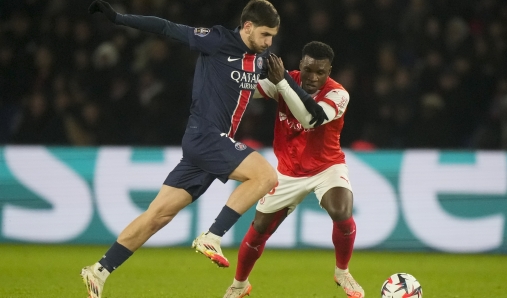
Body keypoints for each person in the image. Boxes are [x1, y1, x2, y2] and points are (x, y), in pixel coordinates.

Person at [81, 1, 327, 298]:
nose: (268, 42)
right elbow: (167, 28)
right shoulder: (217, 40)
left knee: (158, 215)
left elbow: (302, 99)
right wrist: (118, 18)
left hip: (207, 146)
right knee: (265, 176)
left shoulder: (263, 61)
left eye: (272, 36)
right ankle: (212, 236)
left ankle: (100, 269)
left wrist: (309, 104)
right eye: (264, 35)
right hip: (206, 136)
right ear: (247, 27)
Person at [223, 41, 365, 298]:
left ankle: (342, 272)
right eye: (309, 70)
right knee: (259, 230)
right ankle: (239, 285)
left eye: (320, 72)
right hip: (288, 171)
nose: (313, 77)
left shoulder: (338, 94)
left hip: (327, 167)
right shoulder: (285, 79)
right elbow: (248, 90)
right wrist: (231, 72)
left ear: (329, 71)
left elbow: (310, 118)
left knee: (342, 213)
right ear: (301, 64)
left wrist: (283, 84)